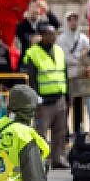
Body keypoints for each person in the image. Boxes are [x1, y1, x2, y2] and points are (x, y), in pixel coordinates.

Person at [22, 25, 69, 166]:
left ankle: (58, 159)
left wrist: (68, 96)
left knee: (60, 131)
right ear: (42, 35)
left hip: (59, 97)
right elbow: (32, 78)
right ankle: (41, 160)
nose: (54, 37)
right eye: (50, 34)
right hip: (43, 101)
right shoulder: (33, 53)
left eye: (54, 34)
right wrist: (36, 98)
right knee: (41, 132)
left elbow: (64, 74)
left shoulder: (59, 50)